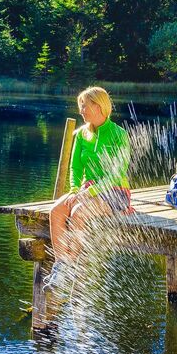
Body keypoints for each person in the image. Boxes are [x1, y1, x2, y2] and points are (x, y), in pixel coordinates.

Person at [49, 86, 131, 263]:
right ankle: (61, 265)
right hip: (86, 190)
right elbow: (76, 168)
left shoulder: (120, 135)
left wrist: (89, 193)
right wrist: (74, 190)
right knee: (56, 211)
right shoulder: (80, 135)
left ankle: (70, 264)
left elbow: (117, 173)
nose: (81, 110)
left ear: (98, 106)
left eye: (84, 105)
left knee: (79, 213)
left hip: (115, 191)